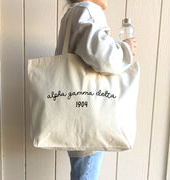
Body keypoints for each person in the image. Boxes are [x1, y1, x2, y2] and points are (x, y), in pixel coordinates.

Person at [55, 0, 137, 179]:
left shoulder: (72, 13)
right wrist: (126, 49)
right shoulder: (89, 10)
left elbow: (90, 52)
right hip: (90, 115)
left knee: (81, 172)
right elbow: (104, 59)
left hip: (75, 113)